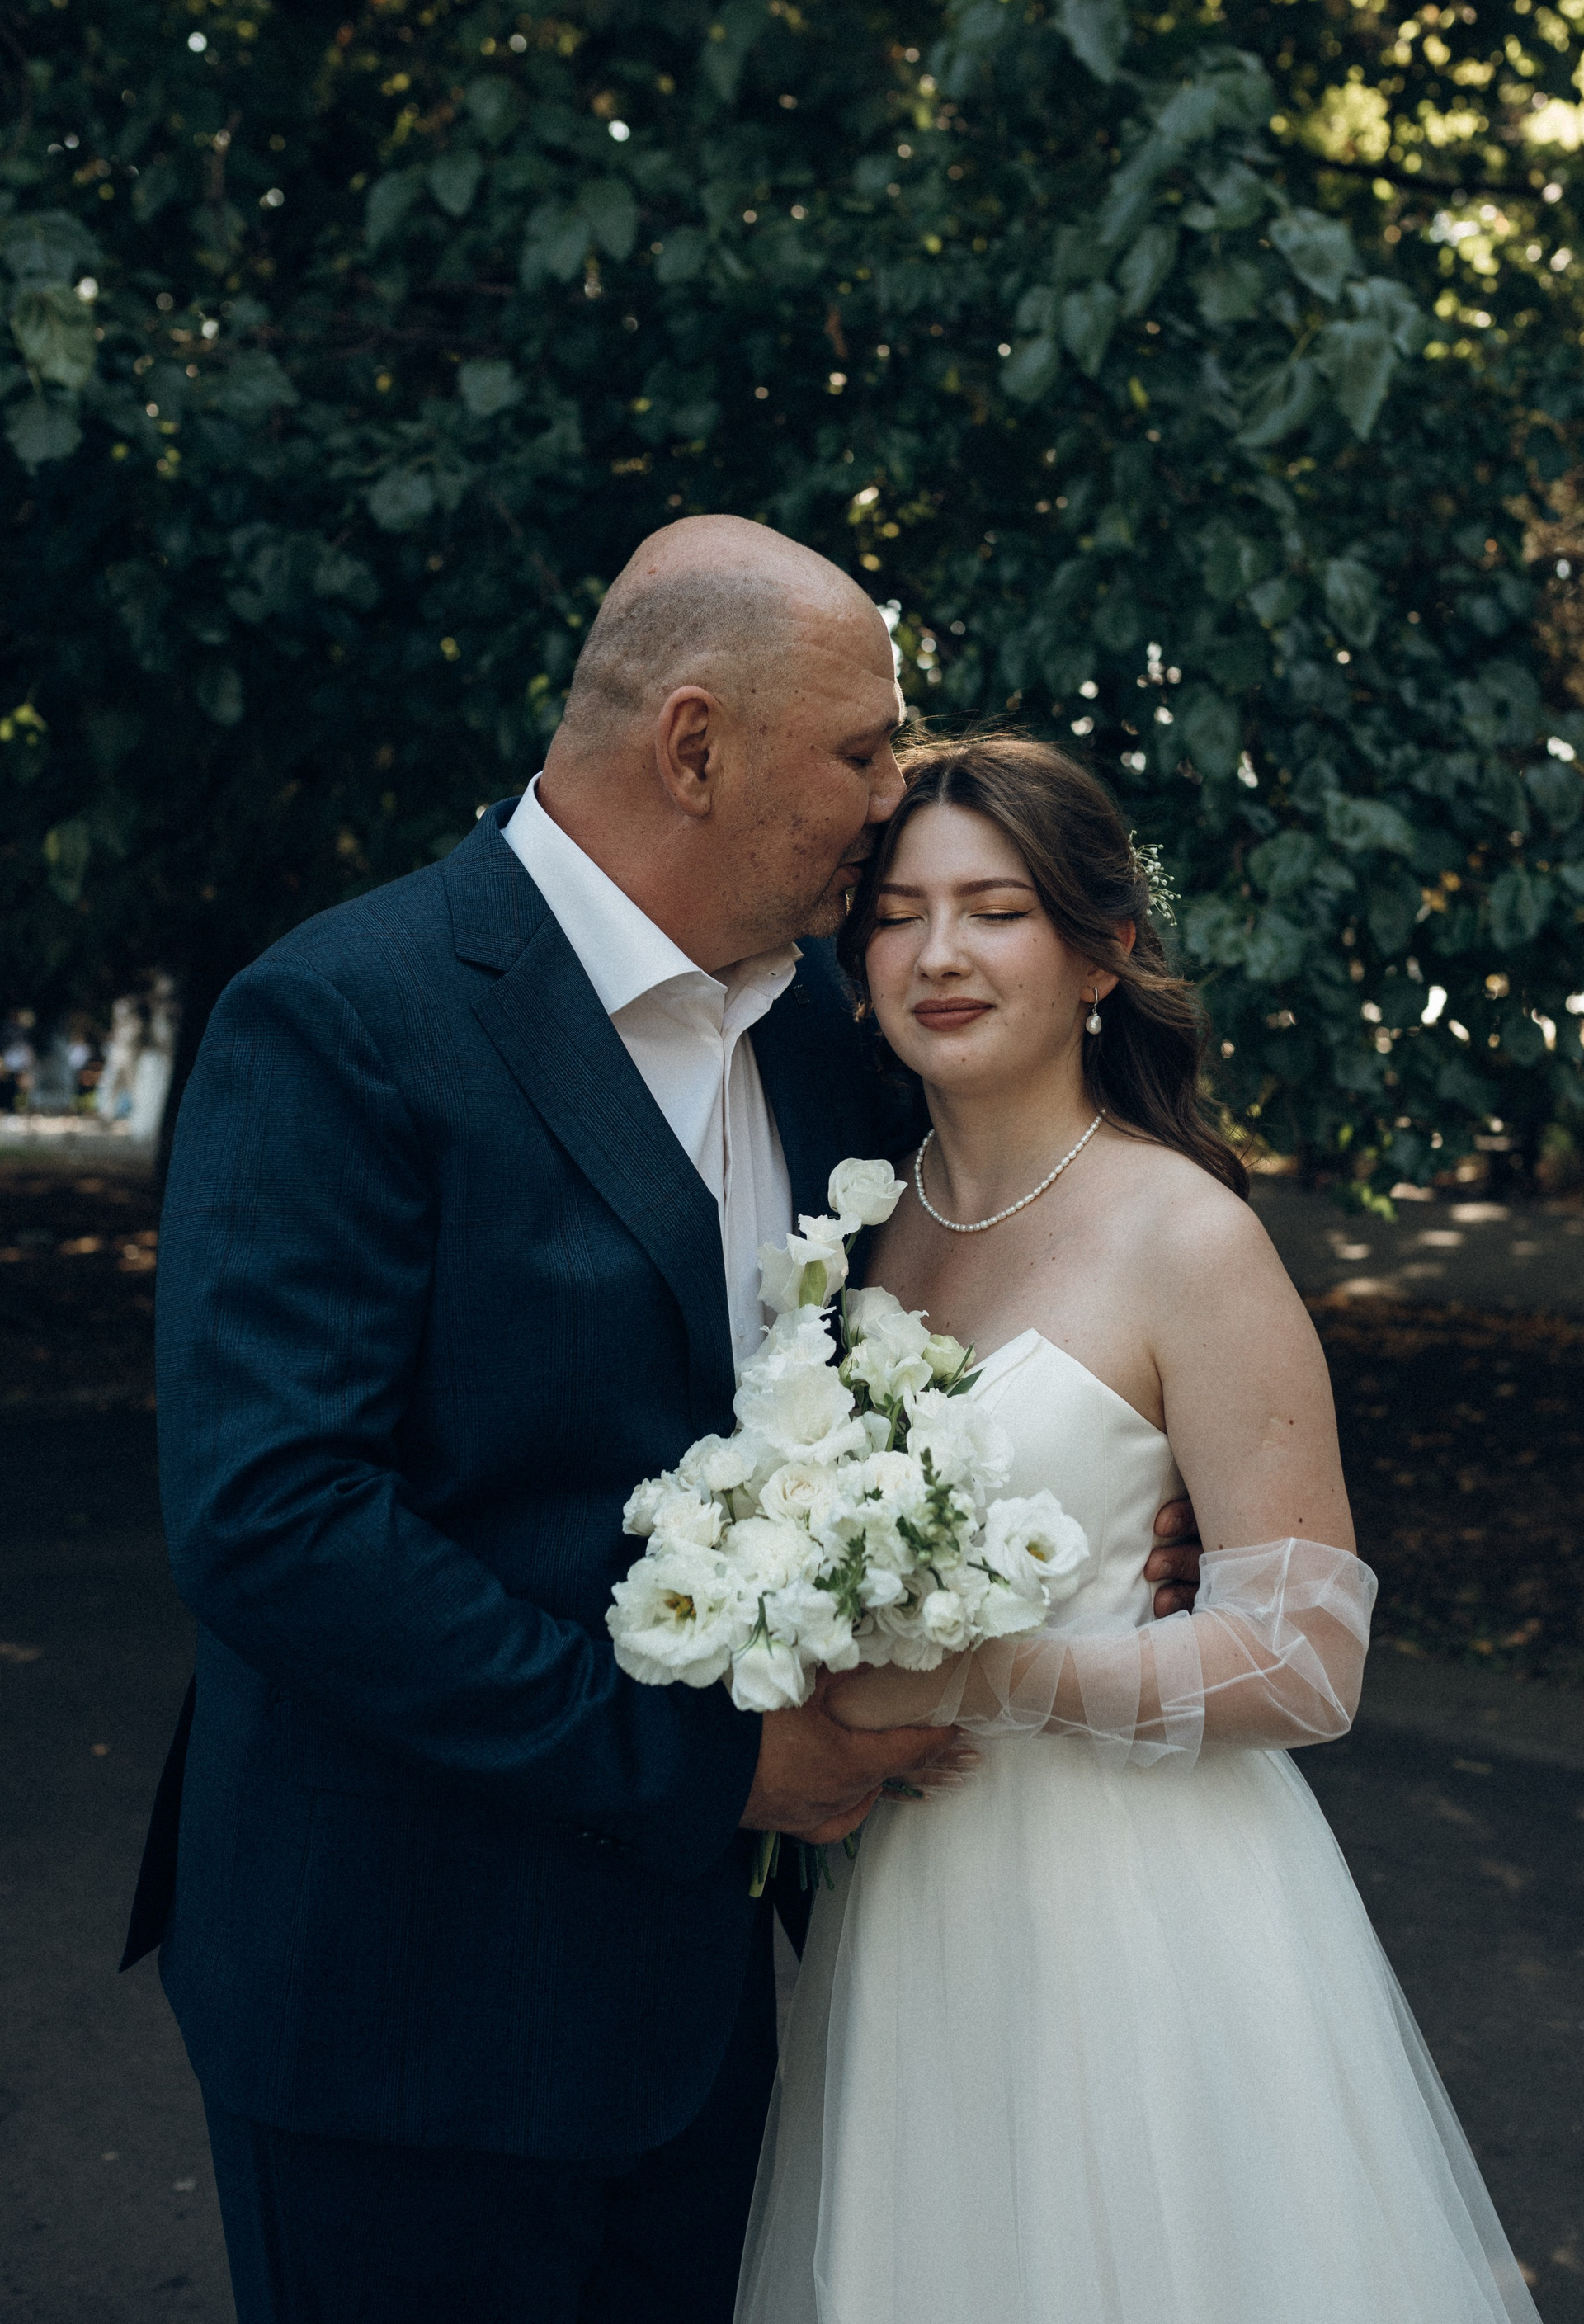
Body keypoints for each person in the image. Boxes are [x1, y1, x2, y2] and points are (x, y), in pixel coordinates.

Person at [122, 526, 1203, 2324]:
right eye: (860, 750)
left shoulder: (828, 1042)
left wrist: (1138, 1496)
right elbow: (274, 1520)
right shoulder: (344, 1017)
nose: (892, 795)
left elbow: (986, 1303)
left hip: (708, 2014)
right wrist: (712, 1770)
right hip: (405, 2004)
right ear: (695, 747)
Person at [736, 737, 1539, 2324]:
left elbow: (1310, 1659)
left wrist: (989, 1674)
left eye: (996, 911)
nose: (938, 954)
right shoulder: (852, 1220)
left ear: (1101, 954)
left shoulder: (1190, 1236)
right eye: (896, 915)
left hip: (1131, 1910)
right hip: (908, 1902)